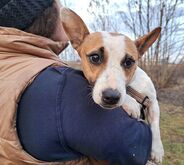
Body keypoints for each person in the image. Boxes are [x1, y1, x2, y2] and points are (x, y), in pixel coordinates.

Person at [0, 0, 152, 164]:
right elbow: (136, 148)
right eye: (58, 6)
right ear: (48, 17)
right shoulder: (62, 85)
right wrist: (141, 100)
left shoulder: (8, 66)